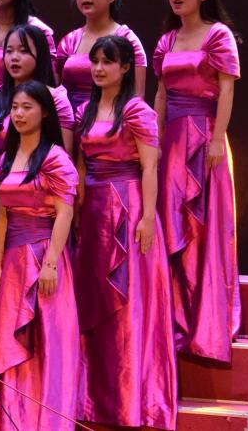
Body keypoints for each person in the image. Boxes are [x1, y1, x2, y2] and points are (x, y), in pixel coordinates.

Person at [74, 36, 177, 430]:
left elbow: (150, 167)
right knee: (95, 303)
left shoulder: (136, 110)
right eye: (95, 61)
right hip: (94, 213)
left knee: (128, 304)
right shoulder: (85, 110)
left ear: (124, 67)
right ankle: (95, 401)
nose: (99, 68)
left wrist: (148, 218)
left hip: (128, 208)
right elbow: (82, 167)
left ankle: (131, 402)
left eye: (108, 62)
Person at [154, 0, 241, 362]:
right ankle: (176, 319)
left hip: (206, 137)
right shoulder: (166, 40)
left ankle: (207, 324)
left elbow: (226, 90)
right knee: (173, 226)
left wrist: (218, 139)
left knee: (205, 226)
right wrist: (154, 141)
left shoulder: (218, 35)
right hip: (172, 142)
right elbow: (160, 95)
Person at [0, 80, 79, 431]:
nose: (19, 114)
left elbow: (65, 213)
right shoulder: (6, 159)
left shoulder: (55, 157)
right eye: (15, 108)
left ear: (44, 113)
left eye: (27, 107)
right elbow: (3, 216)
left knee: (46, 341)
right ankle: (15, 418)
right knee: (12, 340)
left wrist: (51, 263)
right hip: (12, 262)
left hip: (43, 256)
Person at [55, 0, 147, 110]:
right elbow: (57, 92)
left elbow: (136, 98)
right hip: (69, 121)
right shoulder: (68, 42)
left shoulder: (128, 39)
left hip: (111, 121)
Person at [0, 24, 74, 159]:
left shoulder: (56, 98)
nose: (14, 57)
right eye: (9, 51)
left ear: (40, 55)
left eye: (23, 51)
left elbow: (64, 155)